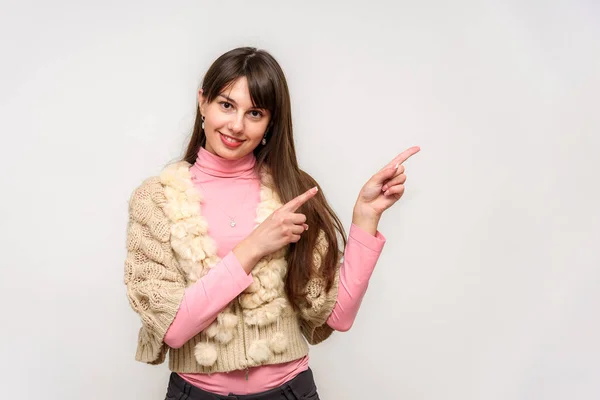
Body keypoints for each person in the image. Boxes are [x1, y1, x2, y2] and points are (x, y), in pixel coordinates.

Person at [124, 46, 419, 400]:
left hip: (289, 391)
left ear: (270, 122)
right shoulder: (155, 199)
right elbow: (172, 328)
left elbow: (337, 315)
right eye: (226, 105)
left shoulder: (293, 191)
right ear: (202, 102)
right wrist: (253, 247)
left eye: (255, 113)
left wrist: (366, 217)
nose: (236, 125)